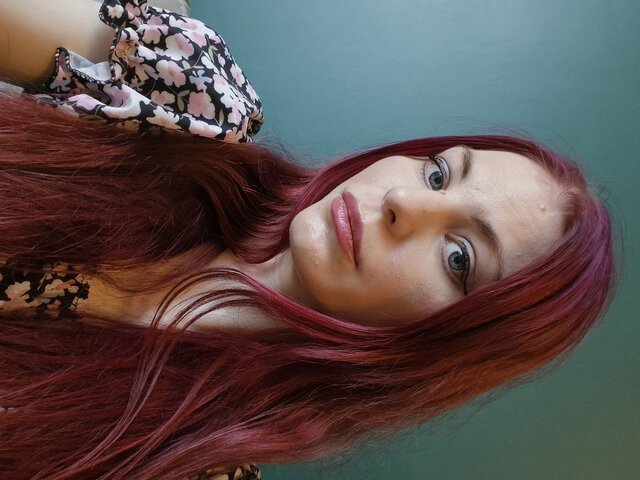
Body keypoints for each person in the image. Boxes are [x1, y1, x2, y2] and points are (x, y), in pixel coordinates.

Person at [0, 1, 616, 480]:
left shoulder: (187, 461)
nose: (403, 204)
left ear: (448, 343)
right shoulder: (188, 101)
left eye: (459, 257)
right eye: (437, 173)